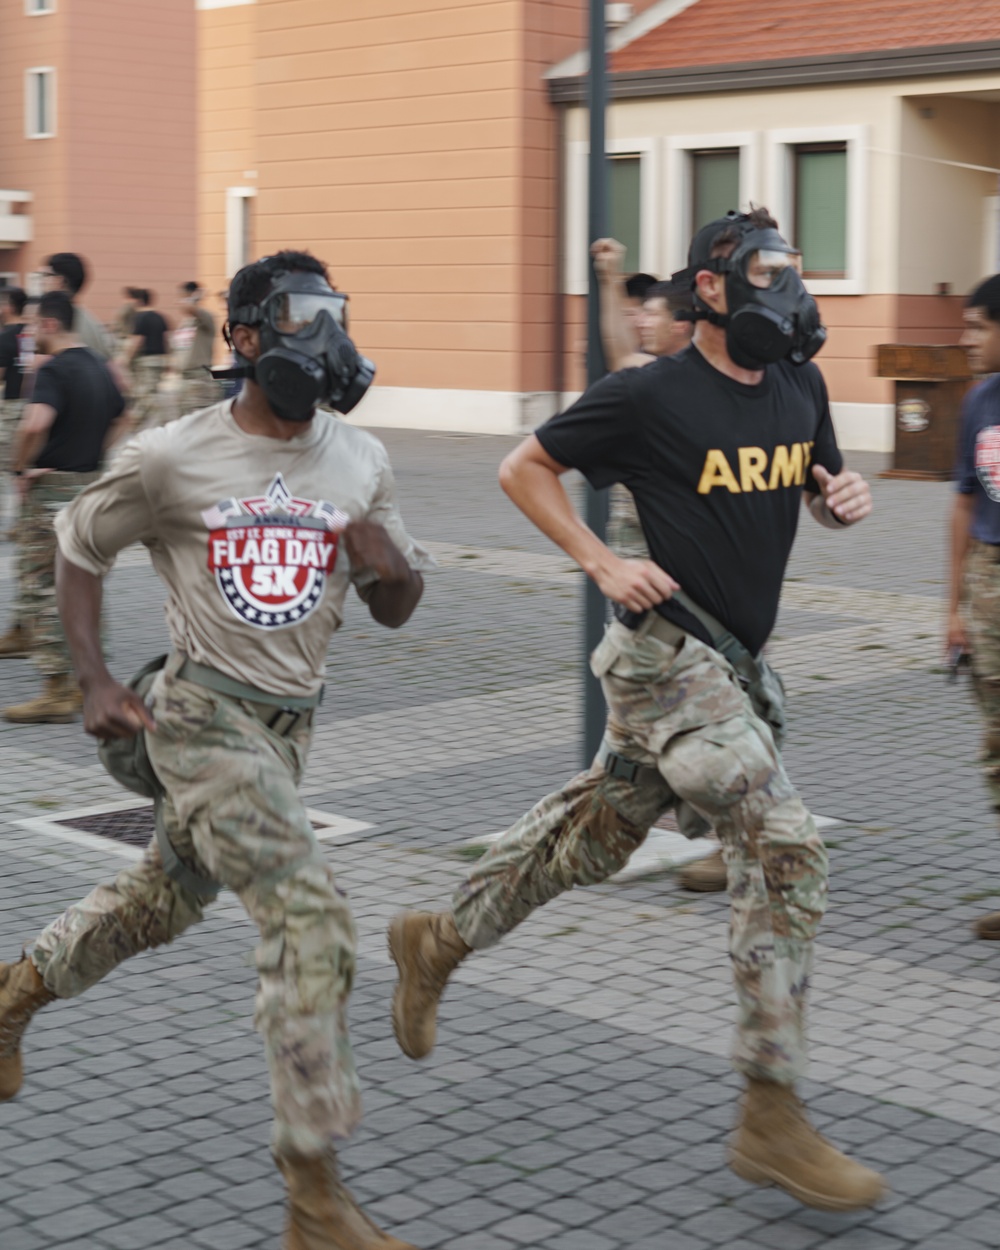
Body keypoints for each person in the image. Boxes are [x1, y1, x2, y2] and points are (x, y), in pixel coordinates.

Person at [388, 209, 885, 1212]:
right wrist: (601, 558)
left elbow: (810, 488)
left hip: (734, 668)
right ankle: (770, 1108)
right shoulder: (649, 394)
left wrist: (836, 503)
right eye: (764, 272)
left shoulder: (799, 381)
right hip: (663, 660)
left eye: (791, 271)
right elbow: (521, 467)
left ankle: (438, 937)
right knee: (784, 842)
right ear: (711, 287)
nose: (785, 290)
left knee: (594, 835)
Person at [0, 251, 431, 1250]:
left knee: (160, 901)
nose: (318, 339)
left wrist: (388, 563)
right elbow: (75, 537)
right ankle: (311, 1196)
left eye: (332, 314)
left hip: (290, 732)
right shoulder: (170, 454)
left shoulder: (359, 458)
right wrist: (95, 676)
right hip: (197, 715)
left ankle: (15, 992)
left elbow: (401, 608)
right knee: (311, 920)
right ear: (241, 338)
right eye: (294, 318)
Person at [2, 291, 126, 723]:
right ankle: (86, 681)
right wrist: (94, 456)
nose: (30, 333)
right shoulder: (96, 363)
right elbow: (125, 412)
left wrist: (23, 467)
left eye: (34, 326)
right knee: (85, 585)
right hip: (89, 488)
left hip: (50, 491)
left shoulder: (54, 369)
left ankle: (57, 692)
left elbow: (36, 423)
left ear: (51, 325)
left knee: (44, 588)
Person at [947, 273, 1000, 940]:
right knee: (996, 747)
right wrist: (953, 606)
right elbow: (963, 502)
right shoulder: (977, 402)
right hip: (988, 579)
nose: (967, 340)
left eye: (978, 327)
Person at [42, 253, 115, 362]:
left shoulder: (56, 325)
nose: (42, 282)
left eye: (46, 276)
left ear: (59, 281)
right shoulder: (92, 323)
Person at [123, 289, 170, 430]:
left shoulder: (140, 317)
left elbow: (137, 340)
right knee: (149, 391)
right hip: (159, 360)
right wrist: (169, 359)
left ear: (138, 301)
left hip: (146, 362)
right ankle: (139, 425)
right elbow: (167, 339)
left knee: (145, 394)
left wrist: (126, 359)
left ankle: (161, 418)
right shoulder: (161, 317)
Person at [176, 280, 222, 412]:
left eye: (183, 296)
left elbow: (189, 308)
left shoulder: (205, 317)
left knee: (199, 422)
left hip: (199, 379)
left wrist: (194, 298)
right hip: (184, 379)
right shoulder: (185, 323)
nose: (180, 301)